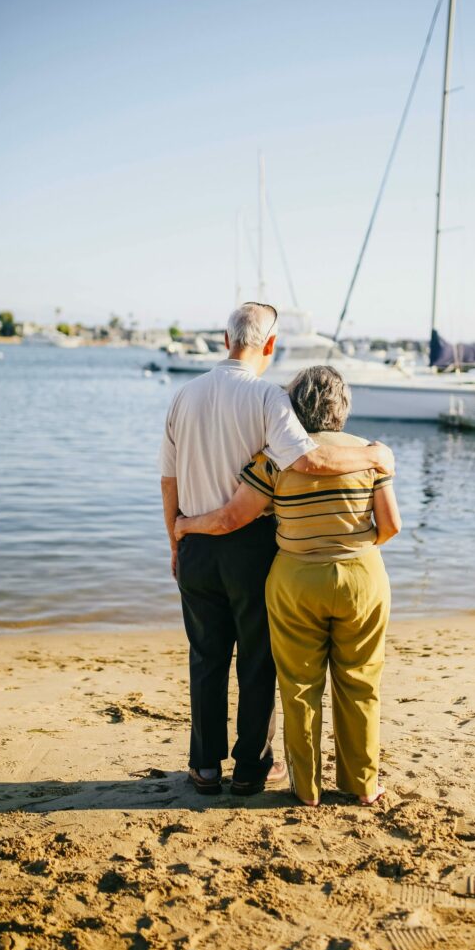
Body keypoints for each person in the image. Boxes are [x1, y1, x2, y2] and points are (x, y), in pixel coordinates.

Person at [160, 305, 395, 797]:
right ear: (269, 345)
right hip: (251, 548)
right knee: (257, 660)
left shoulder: (183, 396)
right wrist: (374, 457)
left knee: (205, 658)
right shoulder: (269, 397)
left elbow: (170, 480)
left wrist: (176, 538)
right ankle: (250, 768)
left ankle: (204, 768)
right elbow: (310, 457)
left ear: (226, 338)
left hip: (196, 543)